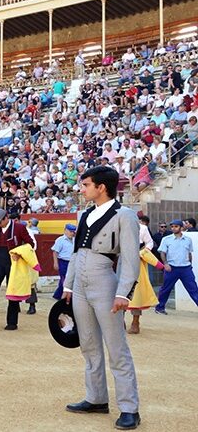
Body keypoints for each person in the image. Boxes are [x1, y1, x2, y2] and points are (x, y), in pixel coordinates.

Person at [62, 166, 141, 431]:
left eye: (85, 185)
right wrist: (69, 284)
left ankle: (129, 407)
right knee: (88, 343)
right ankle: (96, 398)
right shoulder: (84, 214)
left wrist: (123, 293)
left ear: (101, 187)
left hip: (105, 281)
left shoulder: (124, 215)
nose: (81, 189)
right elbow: (76, 252)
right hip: (81, 283)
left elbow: (130, 257)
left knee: (116, 347)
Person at [0, 207, 34, 330]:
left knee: (13, 290)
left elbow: (31, 243)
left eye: (0, 222)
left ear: (6, 218)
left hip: (14, 261)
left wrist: (19, 253)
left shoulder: (19, 228)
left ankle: (12, 322)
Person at [154, 220, 198, 315]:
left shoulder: (188, 240)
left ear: (181, 228)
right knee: (166, 289)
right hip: (171, 268)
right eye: (172, 226)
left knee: (193, 289)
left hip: (185, 268)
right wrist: (165, 264)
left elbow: (189, 253)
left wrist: (190, 265)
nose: (173, 228)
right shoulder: (166, 239)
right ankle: (160, 308)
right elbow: (162, 252)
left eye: (176, 226)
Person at [51, 224, 76, 300]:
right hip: (63, 262)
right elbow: (55, 252)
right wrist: (55, 263)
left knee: (69, 279)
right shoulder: (60, 240)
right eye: (70, 231)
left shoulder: (75, 239)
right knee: (65, 280)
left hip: (73, 262)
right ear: (65, 230)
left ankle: (58, 295)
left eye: (73, 232)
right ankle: (64, 296)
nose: (72, 233)